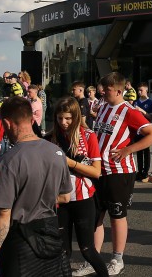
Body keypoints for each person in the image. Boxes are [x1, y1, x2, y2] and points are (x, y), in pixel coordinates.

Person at [81, 73, 152, 276]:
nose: (102, 92)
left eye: (106, 90)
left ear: (118, 91)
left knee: (117, 215)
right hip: (98, 169)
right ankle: (93, 259)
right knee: (95, 216)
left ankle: (117, 259)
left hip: (119, 171)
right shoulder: (103, 106)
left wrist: (128, 149)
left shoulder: (129, 111)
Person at [0, 97, 72, 277]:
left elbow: (2, 213)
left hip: (21, 238)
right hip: (51, 233)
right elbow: (65, 197)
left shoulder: (9, 160)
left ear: (7, 123)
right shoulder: (56, 153)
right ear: (32, 120)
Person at [48, 97, 107, 276]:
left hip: (83, 198)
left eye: (68, 118)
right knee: (63, 252)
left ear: (76, 117)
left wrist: (71, 163)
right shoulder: (50, 138)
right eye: (60, 118)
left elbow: (96, 172)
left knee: (88, 250)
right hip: (59, 200)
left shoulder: (88, 136)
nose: (63, 122)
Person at [134, 85, 152, 181]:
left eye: (141, 90)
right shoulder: (136, 102)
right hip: (137, 129)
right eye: (138, 90)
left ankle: (145, 172)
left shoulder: (150, 102)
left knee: (146, 151)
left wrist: (142, 111)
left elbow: (151, 117)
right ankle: (140, 171)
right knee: (139, 151)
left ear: (146, 90)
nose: (139, 92)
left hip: (146, 129)